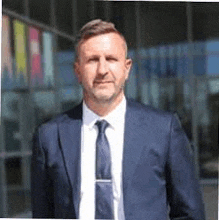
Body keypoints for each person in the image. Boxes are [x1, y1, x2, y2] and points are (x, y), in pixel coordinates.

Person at [31, 19, 205, 220]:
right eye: (92, 60)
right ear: (78, 71)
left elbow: (190, 214)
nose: (102, 70)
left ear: (127, 68)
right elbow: (42, 215)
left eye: (111, 59)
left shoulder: (163, 129)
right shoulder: (49, 137)